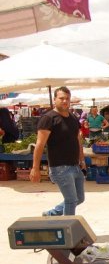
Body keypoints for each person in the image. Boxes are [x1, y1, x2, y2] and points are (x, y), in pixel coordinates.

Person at [31, 87, 86, 216]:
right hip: (60, 167)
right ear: (55, 99)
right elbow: (40, 145)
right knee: (71, 200)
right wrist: (35, 168)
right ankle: (68, 232)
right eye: (61, 98)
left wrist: (82, 159)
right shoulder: (48, 118)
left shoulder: (73, 118)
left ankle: (52, 214)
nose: (65, 101)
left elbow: (78, 140)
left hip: (75, 165)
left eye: (67, 98)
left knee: (79, 198)